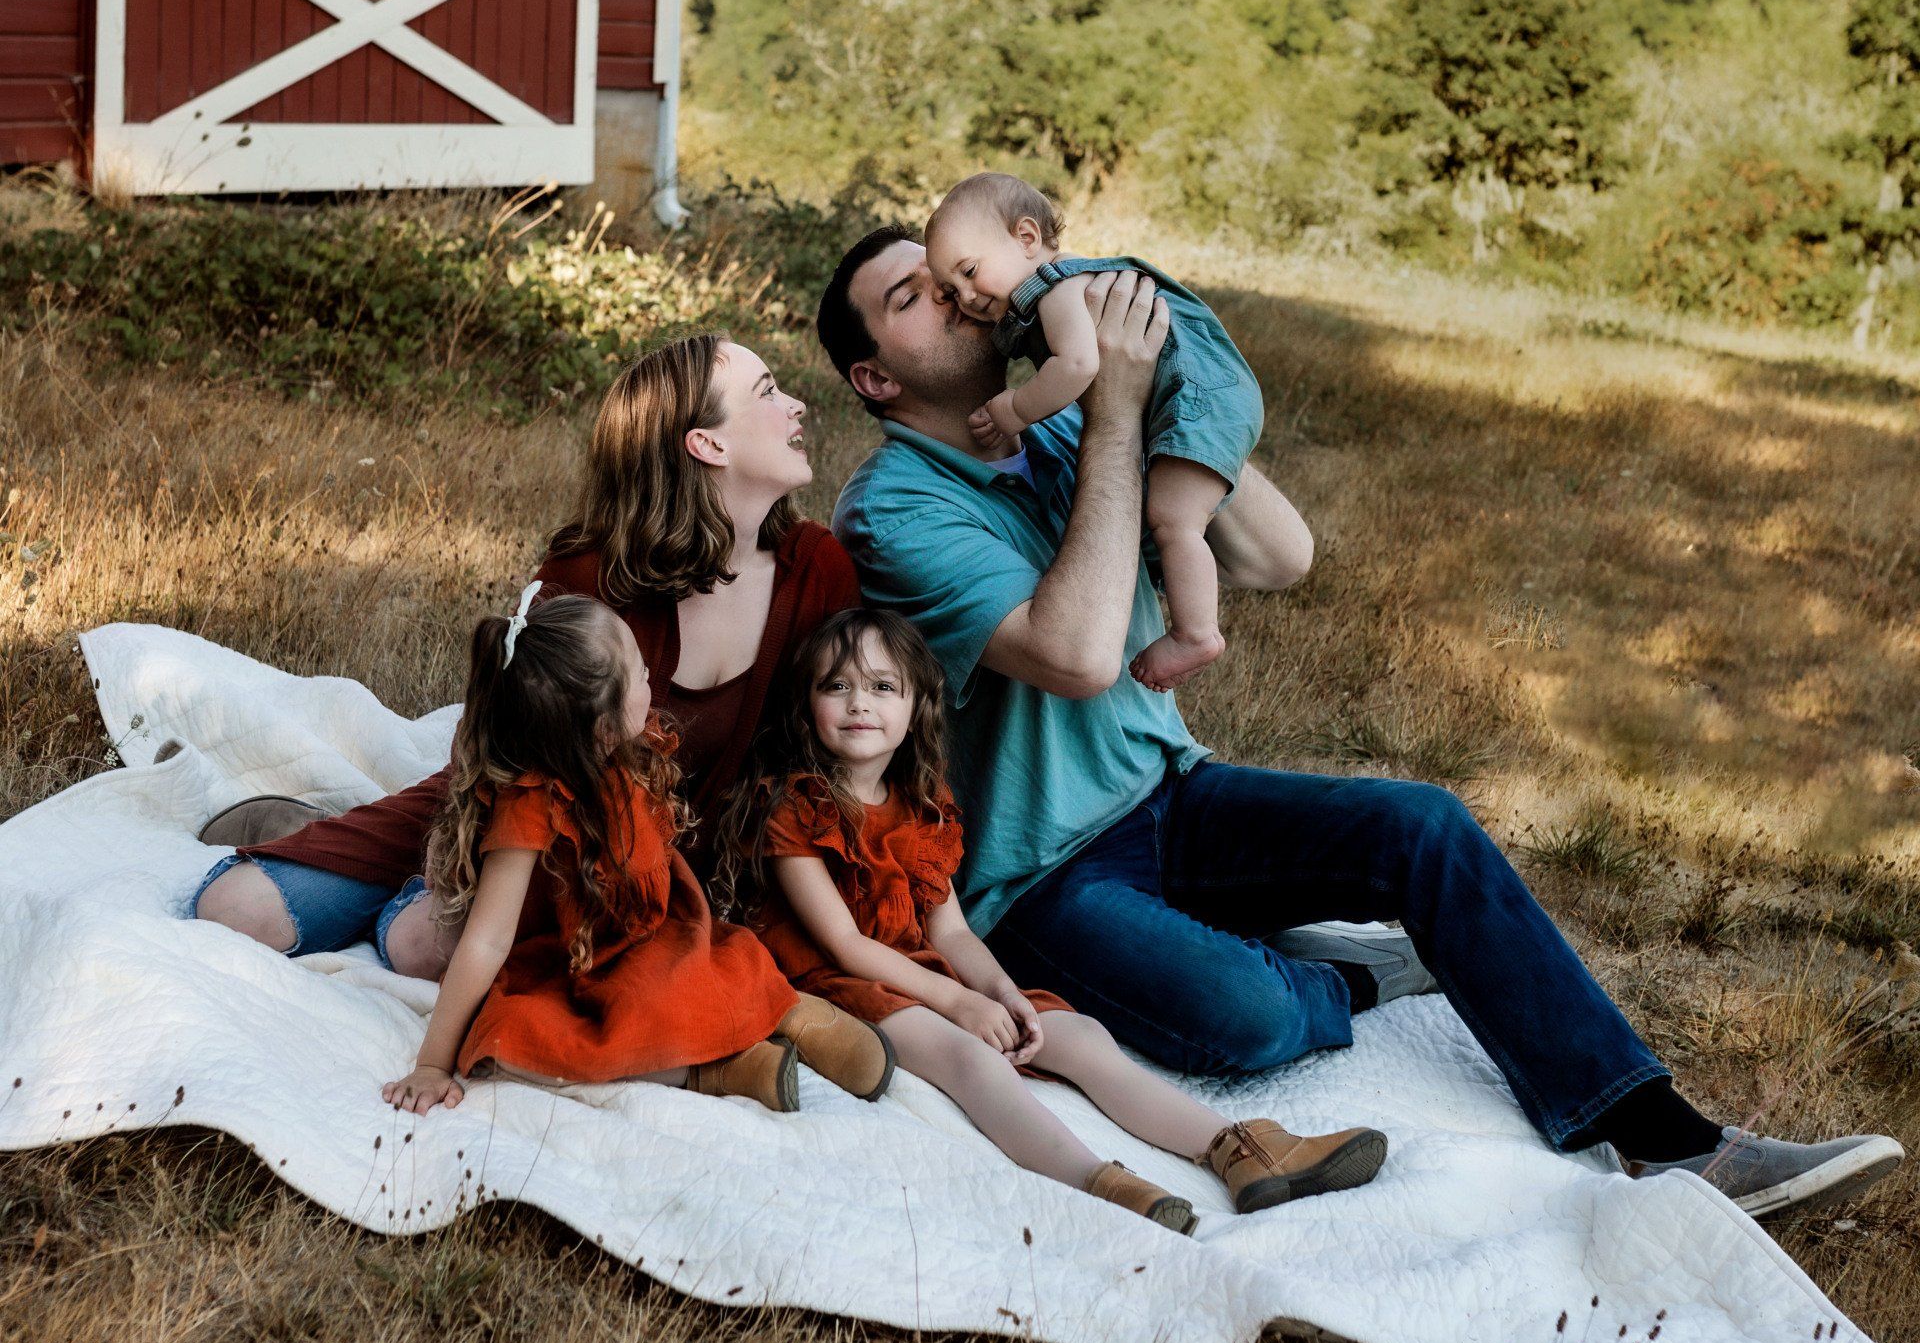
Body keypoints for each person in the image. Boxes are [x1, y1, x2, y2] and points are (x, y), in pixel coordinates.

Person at [812, 225, 1905, 1222]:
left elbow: (1279, 556)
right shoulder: (896, 506)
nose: (959, 300)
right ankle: (1348, 975)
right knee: (1246, 1017)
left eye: (952, 277)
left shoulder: (1055, 424)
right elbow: (1079, 655)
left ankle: (1670, 1141)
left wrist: (1160, 394)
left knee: (1421, 825)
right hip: (1039, 876)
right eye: (915, 297)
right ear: (874, 375)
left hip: (1172, 794)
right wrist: (1108, 415)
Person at [191, 333, 858, 977]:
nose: (797, 406)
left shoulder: (818, 570)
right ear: (706, 443)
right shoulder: (593, 573)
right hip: (518, 829)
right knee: (234, 911)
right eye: (768, 391)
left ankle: (397, 901)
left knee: (429, 950)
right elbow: (502, 756)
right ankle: (355, 852)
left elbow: (836, 754)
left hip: (654, 871)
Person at [716, 604, 1387, 1228]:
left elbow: (950, 931)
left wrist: (1002, 994)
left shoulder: (923, 804)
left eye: (882, 687)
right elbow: (844, 945)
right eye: (837, 686)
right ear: (807, 706)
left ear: (918, 702)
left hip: (921, 968)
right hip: (836, 983)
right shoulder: (797, 809)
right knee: (972, 1058)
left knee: (1080, 1034)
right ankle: (1100, 1184)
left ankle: (1239, 1150)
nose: (860, 702)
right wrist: (961, 1007)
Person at [382, 588, 891, 1116]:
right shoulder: (531, 803)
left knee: (705, 968)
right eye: (640, 672)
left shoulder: (625, 753)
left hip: (644, 936)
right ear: (603, 725)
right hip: (578, 956)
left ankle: (788, 1018)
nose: (651, 675)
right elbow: (487, 940)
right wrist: (433, 1064)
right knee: (510, 1040)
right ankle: (730, 1058)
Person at [924, 170, 1263, 691]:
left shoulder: (1055, 289)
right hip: (1195, 391)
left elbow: (1079, 365)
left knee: (1175, 518)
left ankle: (1196, 633)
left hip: (1197, 395)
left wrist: (1015, 409)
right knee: (1172, 515)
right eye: (951, 288)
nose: (966, 296)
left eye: (970, 271)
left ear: (1027, 237)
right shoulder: (1046, 291)